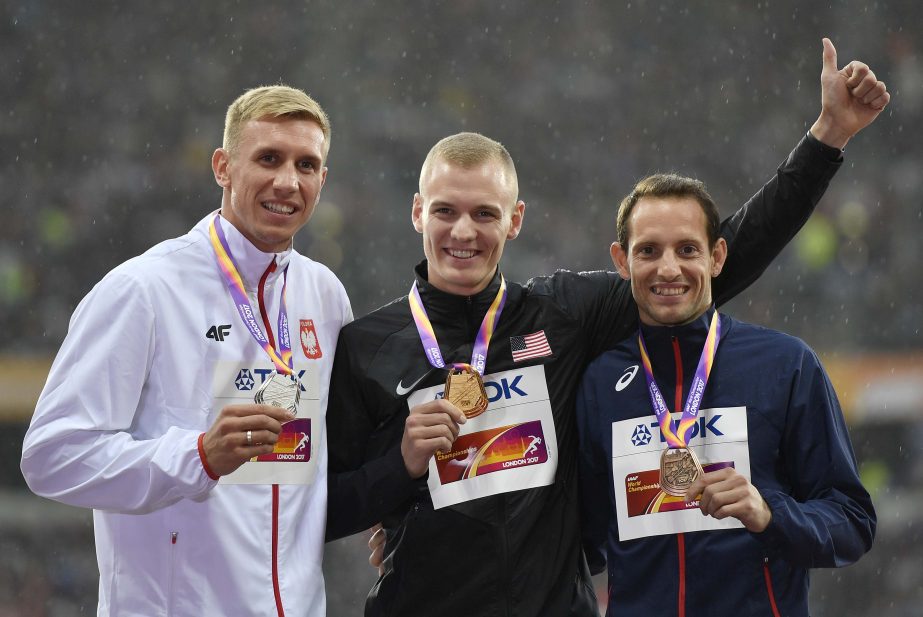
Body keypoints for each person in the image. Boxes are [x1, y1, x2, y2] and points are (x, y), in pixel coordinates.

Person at [327, 39, 887, 616]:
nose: (463, 231)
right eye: (445, 211)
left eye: (485, 213)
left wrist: (826, 139)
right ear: (418, 211)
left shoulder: (563, 314)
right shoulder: (367, 347)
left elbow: (711, 266)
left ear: (514, 220)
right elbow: (318, 511)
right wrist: (399, 469)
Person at [21, 85, 352, 616]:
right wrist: (195, 456)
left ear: (322, 180)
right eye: (268, 158)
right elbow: (50, 456)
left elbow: (331, 458)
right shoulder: (144, 290)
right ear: (222, 167)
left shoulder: (325, 296)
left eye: (306, 165)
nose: (287, 181)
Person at [576, 172, 875, 616]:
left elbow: (852, 522)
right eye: (648, 251)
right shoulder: (600, 383)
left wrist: (770, 514)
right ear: (622, 261)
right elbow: (584, 541)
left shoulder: (785, 364)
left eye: (687, 249)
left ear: (717, 256)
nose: (669, 269)